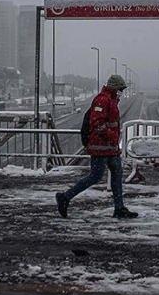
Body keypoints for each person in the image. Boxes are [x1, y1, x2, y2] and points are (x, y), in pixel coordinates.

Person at [56, 74, 138, 219]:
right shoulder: (102, 100)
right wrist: (111, 136)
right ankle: (65, 197)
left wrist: (113, 140)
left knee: (117, 175)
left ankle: (119, 208)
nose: (122, 92)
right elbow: (97, 123)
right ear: (114, 87)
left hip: (110, 147)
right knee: (95, 176)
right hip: (101, 147)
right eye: (120, 89)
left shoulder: (112, 100)